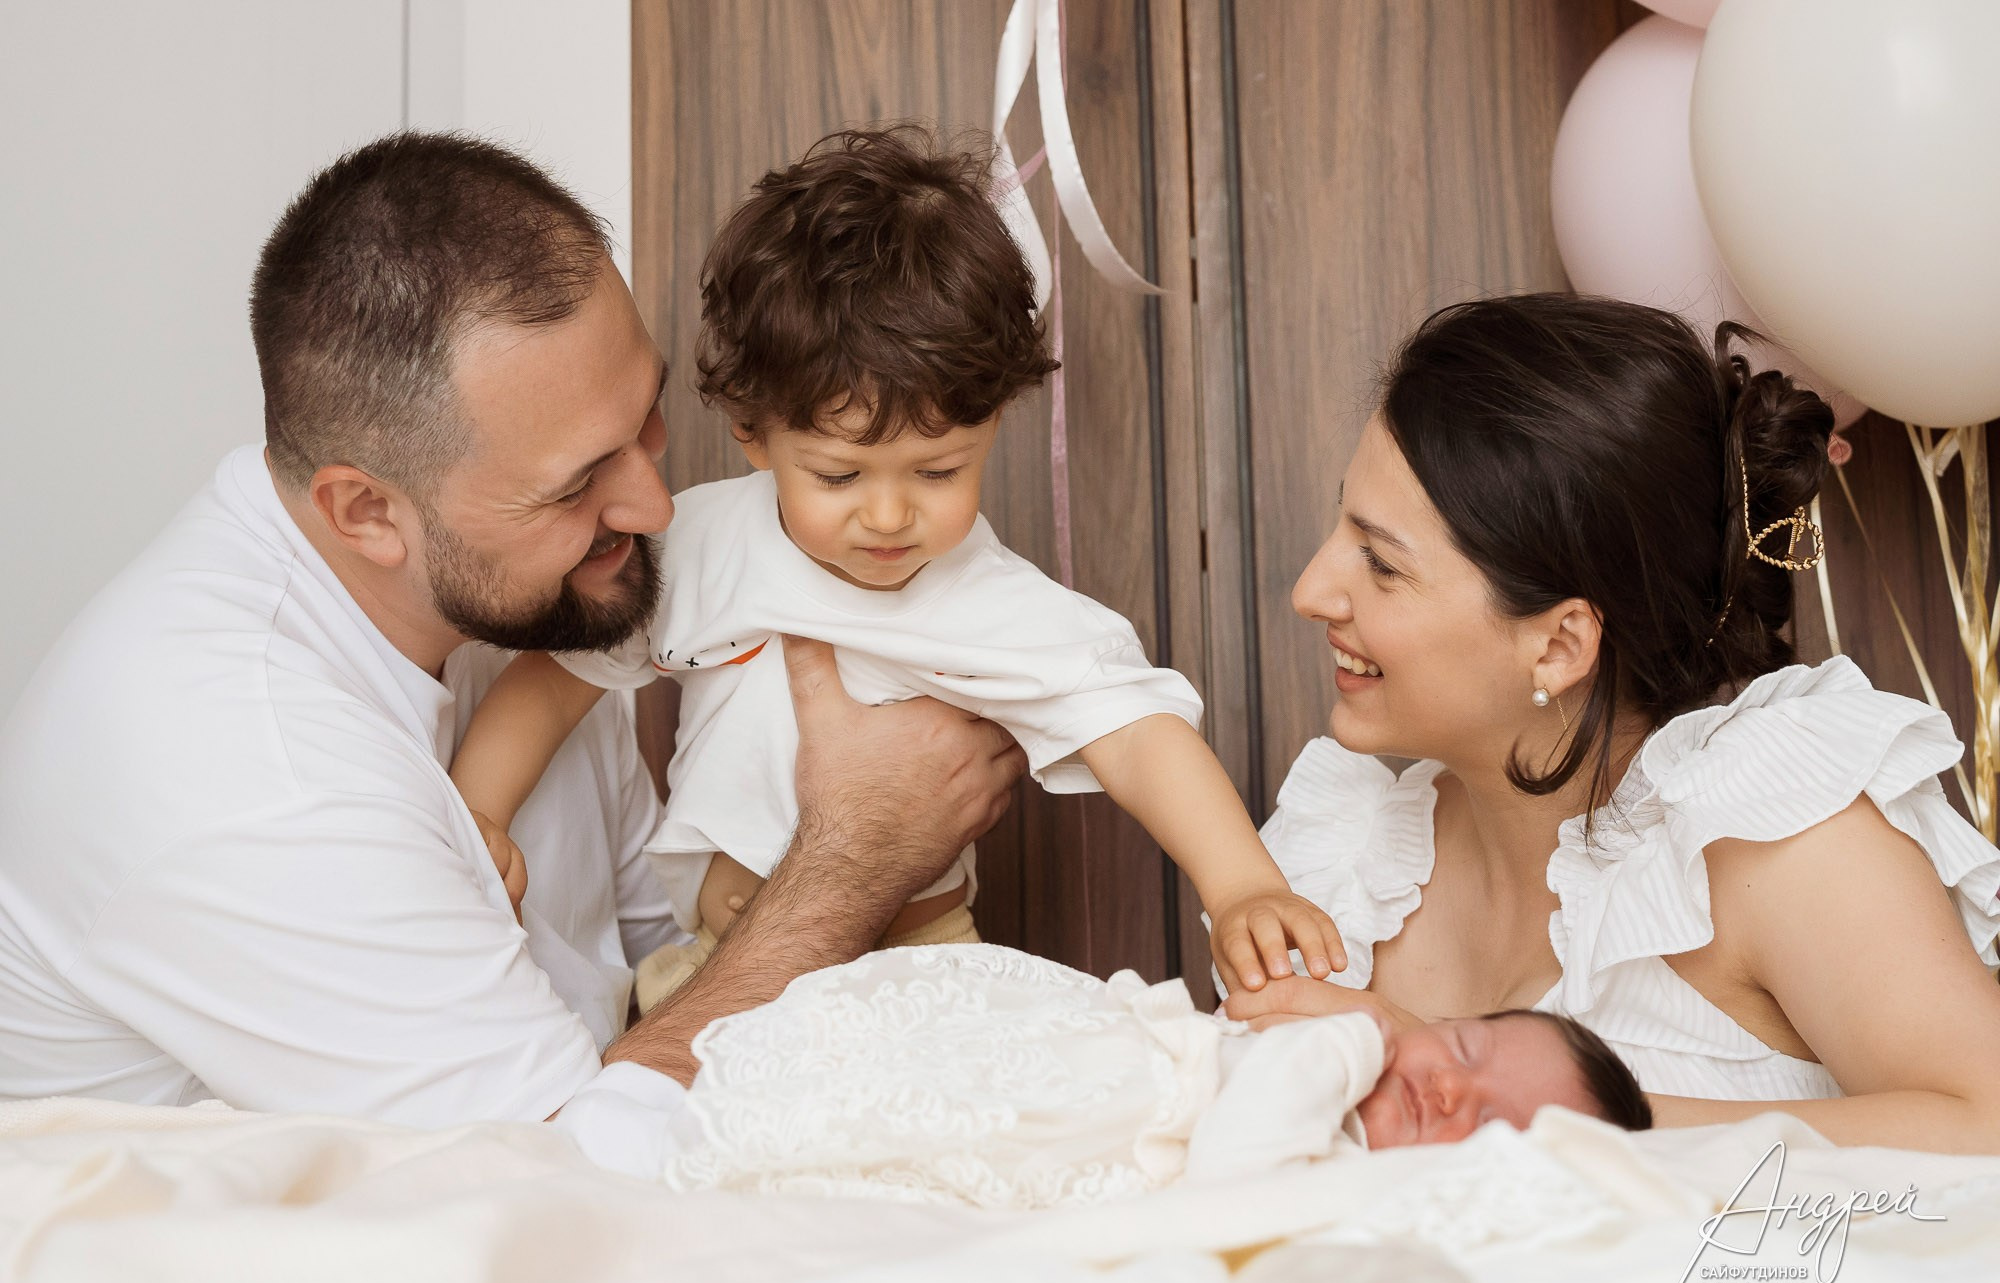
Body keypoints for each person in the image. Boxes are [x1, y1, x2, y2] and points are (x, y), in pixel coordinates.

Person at [0, 131, 1024, 1179]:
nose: (653, 505)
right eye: (577, 484)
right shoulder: (249, 770)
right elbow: (560, 1190)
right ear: (367, 512)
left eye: (649, 419)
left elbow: (656, 964)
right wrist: (852, 856)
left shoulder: (533, 608)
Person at [447, 125, 1344, 1006]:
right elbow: (555, 679)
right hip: (722, 963)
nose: (887, 515)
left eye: (939, 471)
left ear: (992, 424)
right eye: (838, 475)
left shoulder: (995, 603)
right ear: (754, 433)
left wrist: (1243, 887)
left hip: (924, 969)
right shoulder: (696, 549)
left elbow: (1141, 735)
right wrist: (475, 812)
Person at [1219, 294, 2000, 1153]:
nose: (1310, 590)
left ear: (1558, 645)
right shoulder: (1342, 864)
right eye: (1343, 527)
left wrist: (1519, 1107)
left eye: (1381, 563)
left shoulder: (1772, 844)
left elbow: (1985, 1125)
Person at [654, 943, 1650, 1207]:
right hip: (1082, 1065)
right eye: (1466, 1052)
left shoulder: (1335, 1170)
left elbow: (1240, 1170)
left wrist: (1349, 1035)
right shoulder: (1352, 1060)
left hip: (1097, 1143)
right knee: (884, 1073)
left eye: (1484, 1129)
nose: (1446, 1092)